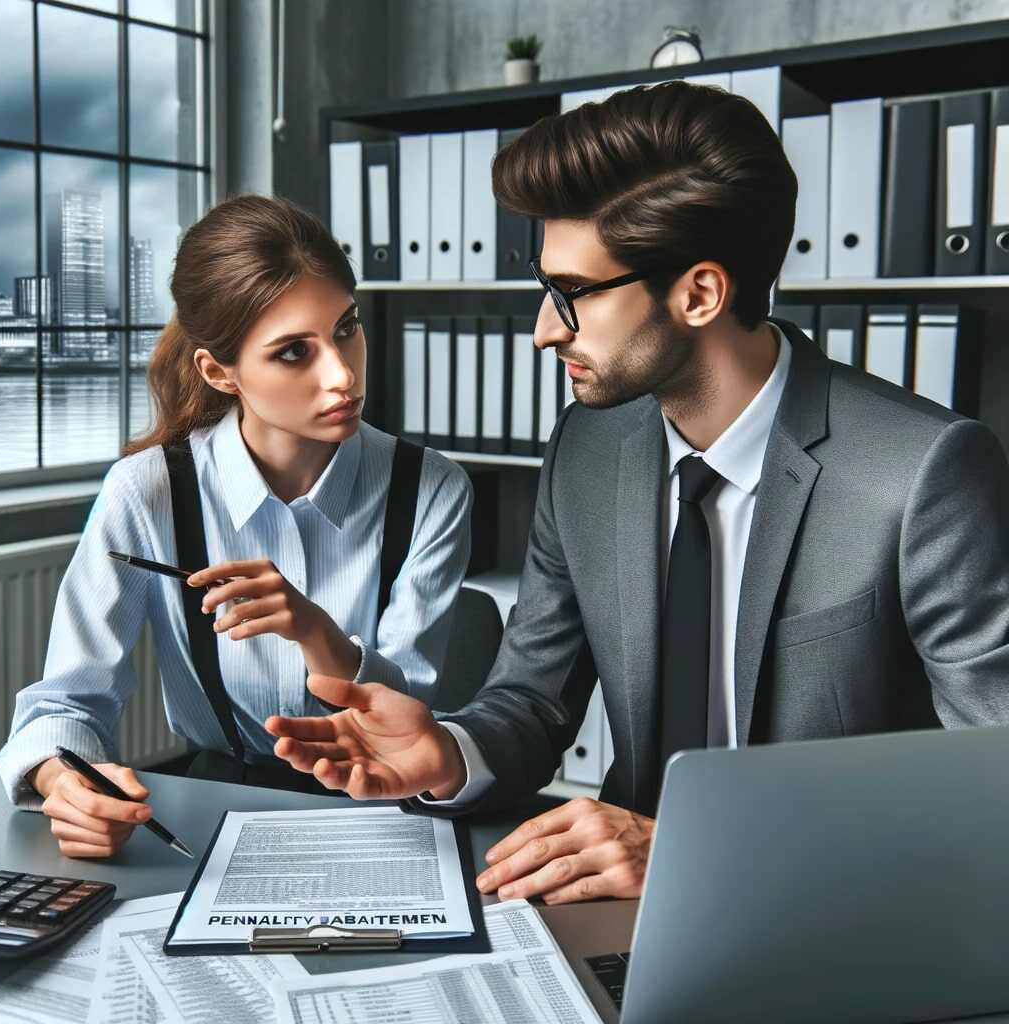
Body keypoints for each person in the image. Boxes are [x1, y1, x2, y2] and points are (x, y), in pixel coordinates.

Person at [266, 80, 1009, 904]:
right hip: (624, 916)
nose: (547, 329)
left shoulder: (924, 472)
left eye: (574, 295)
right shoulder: (587, 449)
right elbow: (532, 701)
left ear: (699, 293)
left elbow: (992, 792)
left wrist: (703, 856)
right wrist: (448, 751)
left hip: (836, 917)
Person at [0, 194, 472, 859]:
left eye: (346, 329)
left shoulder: (432, 487)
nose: (342, 374)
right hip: (213, 813)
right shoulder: (148, 490)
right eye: (292, 353)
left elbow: (404, 721)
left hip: (387, 811)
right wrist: (65, 783)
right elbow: (65, 706)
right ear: (220, 372)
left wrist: (315, 631)